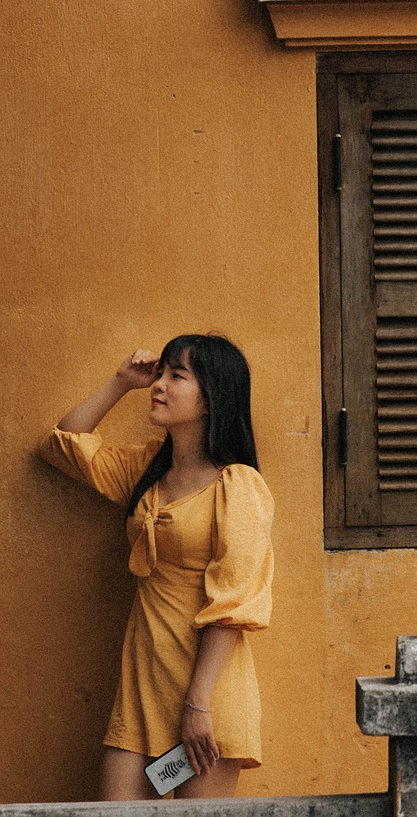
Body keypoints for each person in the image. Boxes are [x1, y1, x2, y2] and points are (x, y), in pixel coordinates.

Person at [40, 335, 274, 801]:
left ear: (210, 398)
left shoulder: (238, 486)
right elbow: (64, 444)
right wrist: (121, 382)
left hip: (206, 696)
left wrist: (198, 703)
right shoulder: (147, 467)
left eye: (176, 376)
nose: (159, 385)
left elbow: (235, 604)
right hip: (141, 691)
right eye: (160, 373)